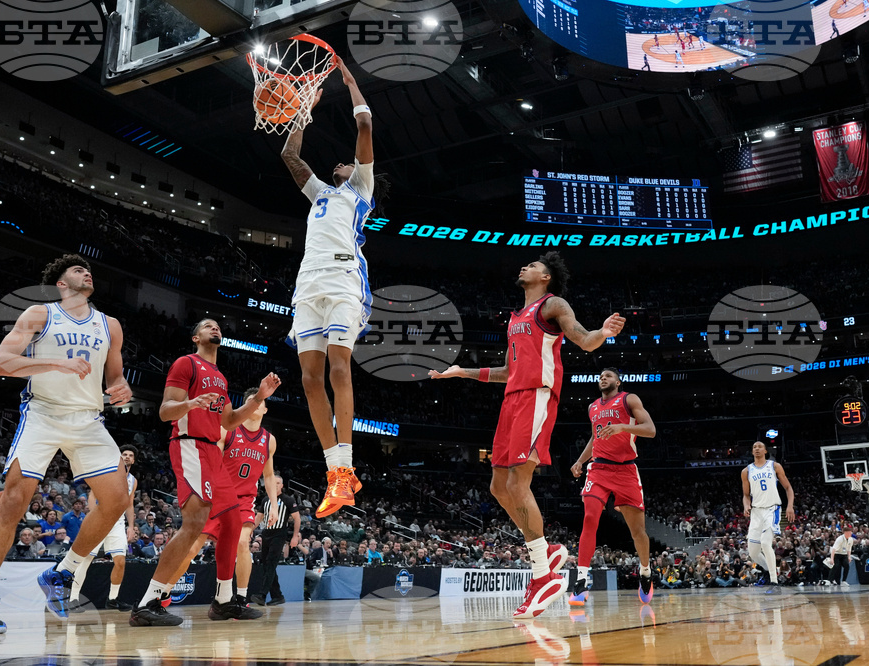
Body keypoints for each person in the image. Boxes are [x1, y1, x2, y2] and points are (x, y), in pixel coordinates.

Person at [430, 253, 625, 618]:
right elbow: (506, 370)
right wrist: (461, 372)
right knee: (498, 488)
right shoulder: (516, 317)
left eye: (532, 266)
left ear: (546, 276)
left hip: (537, 397)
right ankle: (547, 551)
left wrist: (603, 333)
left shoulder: (553, 304)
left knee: (519, 485)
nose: (524, 267)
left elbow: (583, 339)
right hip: (512, 399)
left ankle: (543, 576)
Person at [0, 254, 133, 634]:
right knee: (12, 501)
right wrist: (56, 363)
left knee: (118, 498)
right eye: (77, 270)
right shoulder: (40, 314)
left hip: (88, 418)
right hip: (43, 413)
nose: (86, 272)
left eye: (88, 270)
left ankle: (63, 572)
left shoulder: (111, 325)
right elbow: (2, 362)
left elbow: (115, 377)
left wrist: (121, 389)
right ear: (62, 284)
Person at [280, 56, 390, 519]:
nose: (341, 163)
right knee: (308, 380)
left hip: (345, 278)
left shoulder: (359, 189)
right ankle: (336, 475)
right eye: (340, 164)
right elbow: (289, 156)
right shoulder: (321, 192)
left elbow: (364, 126)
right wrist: (302, 111)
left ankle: (345, 467)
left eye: (346, 164)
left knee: (339, 369)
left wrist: (351, 84)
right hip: (308, 283)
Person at [130, 318, 280, 627]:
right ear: (196, 336)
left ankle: (224, 601)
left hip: (212, 451)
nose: (216, 328)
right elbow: (164, 410)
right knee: (195, 524)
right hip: (191, 445)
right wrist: (191, 403)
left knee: (233, 521)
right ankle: (148, 601)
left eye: (218, 326)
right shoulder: (187, 364)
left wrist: (258, 398)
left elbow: (229, 421)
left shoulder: (222, 379)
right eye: (208, 325)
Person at [182, 388, 280, 620]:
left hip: (244, 501)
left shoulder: (269, 440)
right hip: (218, 497)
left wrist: (273, 505)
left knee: (243, 544)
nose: (255, 405)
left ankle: (241, 599)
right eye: (250, 402)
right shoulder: (228, 430)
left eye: (259, 402)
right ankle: (161, 594)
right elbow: (211, 463)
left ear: (265, 409)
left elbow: (268, 476)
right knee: (192, 548)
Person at [570, 368, 657, 606]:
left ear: (618, 381)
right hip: (598, 469)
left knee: (637, 531)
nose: (603, 378)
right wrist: (580, 460)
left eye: (608, 376)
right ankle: (580, 579)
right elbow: (594, 438)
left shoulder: (629, 399)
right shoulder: (592, 407)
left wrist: (622, 427)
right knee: (589, 518)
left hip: (626, 470)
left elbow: (650, 430)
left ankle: (646, 571)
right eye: (600, 376)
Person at [69, 445, 139, 612]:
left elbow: (130, 504)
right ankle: (72, 598)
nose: (127, 457)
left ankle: (113, 599)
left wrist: (131, 526)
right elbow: (92, 495)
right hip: (100, 518)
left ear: (134, 460)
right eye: (124, 454)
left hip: (118, 522)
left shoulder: (133, 481)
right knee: (86, 559)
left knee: (120, 562)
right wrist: (94, 517)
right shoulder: (107, 472)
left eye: (130, 455)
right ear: (119, 457)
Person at [742, 441, 795, 590]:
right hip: (756, 512)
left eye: (760, 447)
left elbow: (788, 487)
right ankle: (771, 569)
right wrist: (746, 505)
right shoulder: (746, 471)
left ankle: (774, 581)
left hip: (772, 509)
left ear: (765, 451)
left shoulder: (774, 466)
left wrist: (789, 506)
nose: (757, 449)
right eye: (754, 447)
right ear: (752, 452)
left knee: (765, 543)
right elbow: (746, 495)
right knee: (753, 553)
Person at [250, 475, 300, 606]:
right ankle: (278, 596)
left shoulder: (288, 500)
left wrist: (295, 536)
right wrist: (250, 529)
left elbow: (297, 518)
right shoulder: (266, 500)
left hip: (279, 534)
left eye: (278, 483)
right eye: (273, 483)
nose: (275, 485)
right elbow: (259, 517)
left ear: (282, 486)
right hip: (266, 533)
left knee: (271, 563)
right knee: (266, 565)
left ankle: (262, 595)